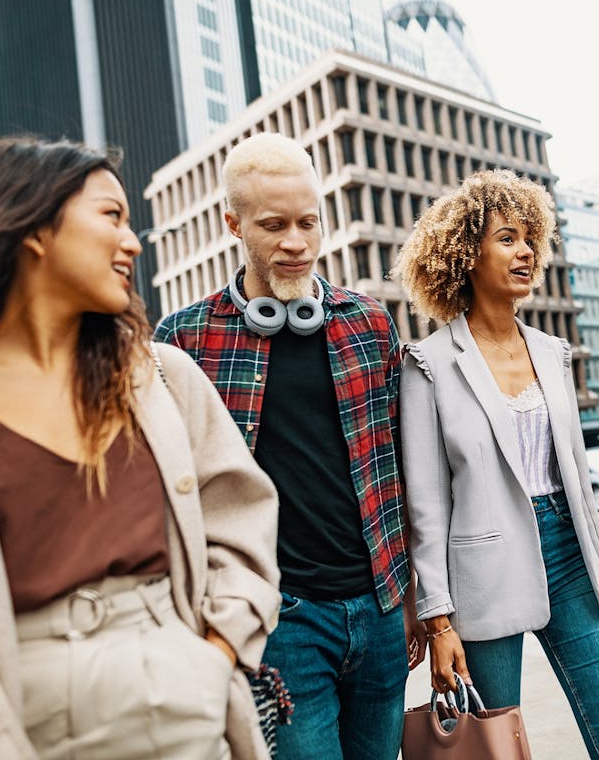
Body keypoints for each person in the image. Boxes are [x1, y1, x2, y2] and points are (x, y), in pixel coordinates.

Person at [0, 137, 281, 759]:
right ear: (35, 227)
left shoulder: (162, 374)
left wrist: (215, 655)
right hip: (17, 724)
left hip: (189, 704)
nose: (133, 242)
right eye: (111, 216)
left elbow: (242, 518)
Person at [155, 132, 425, 760]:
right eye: (274, 225)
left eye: (308, 222)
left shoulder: (369, 323)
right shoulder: (183, 341)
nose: (296, 242)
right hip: (280, 618)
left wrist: (413, 601)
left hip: (380, 608)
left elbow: (398, 474)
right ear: (233, 224)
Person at [394, 170, 599, 760]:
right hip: (480, 576)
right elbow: (426, 508)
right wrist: (437, 622)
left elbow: (578, 482)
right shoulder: (428, 365)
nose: (527, 251)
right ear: (465, 254)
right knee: (490, 750)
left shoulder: (553, 353)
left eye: (531, 238)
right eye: (508, 238)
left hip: (570, 560)